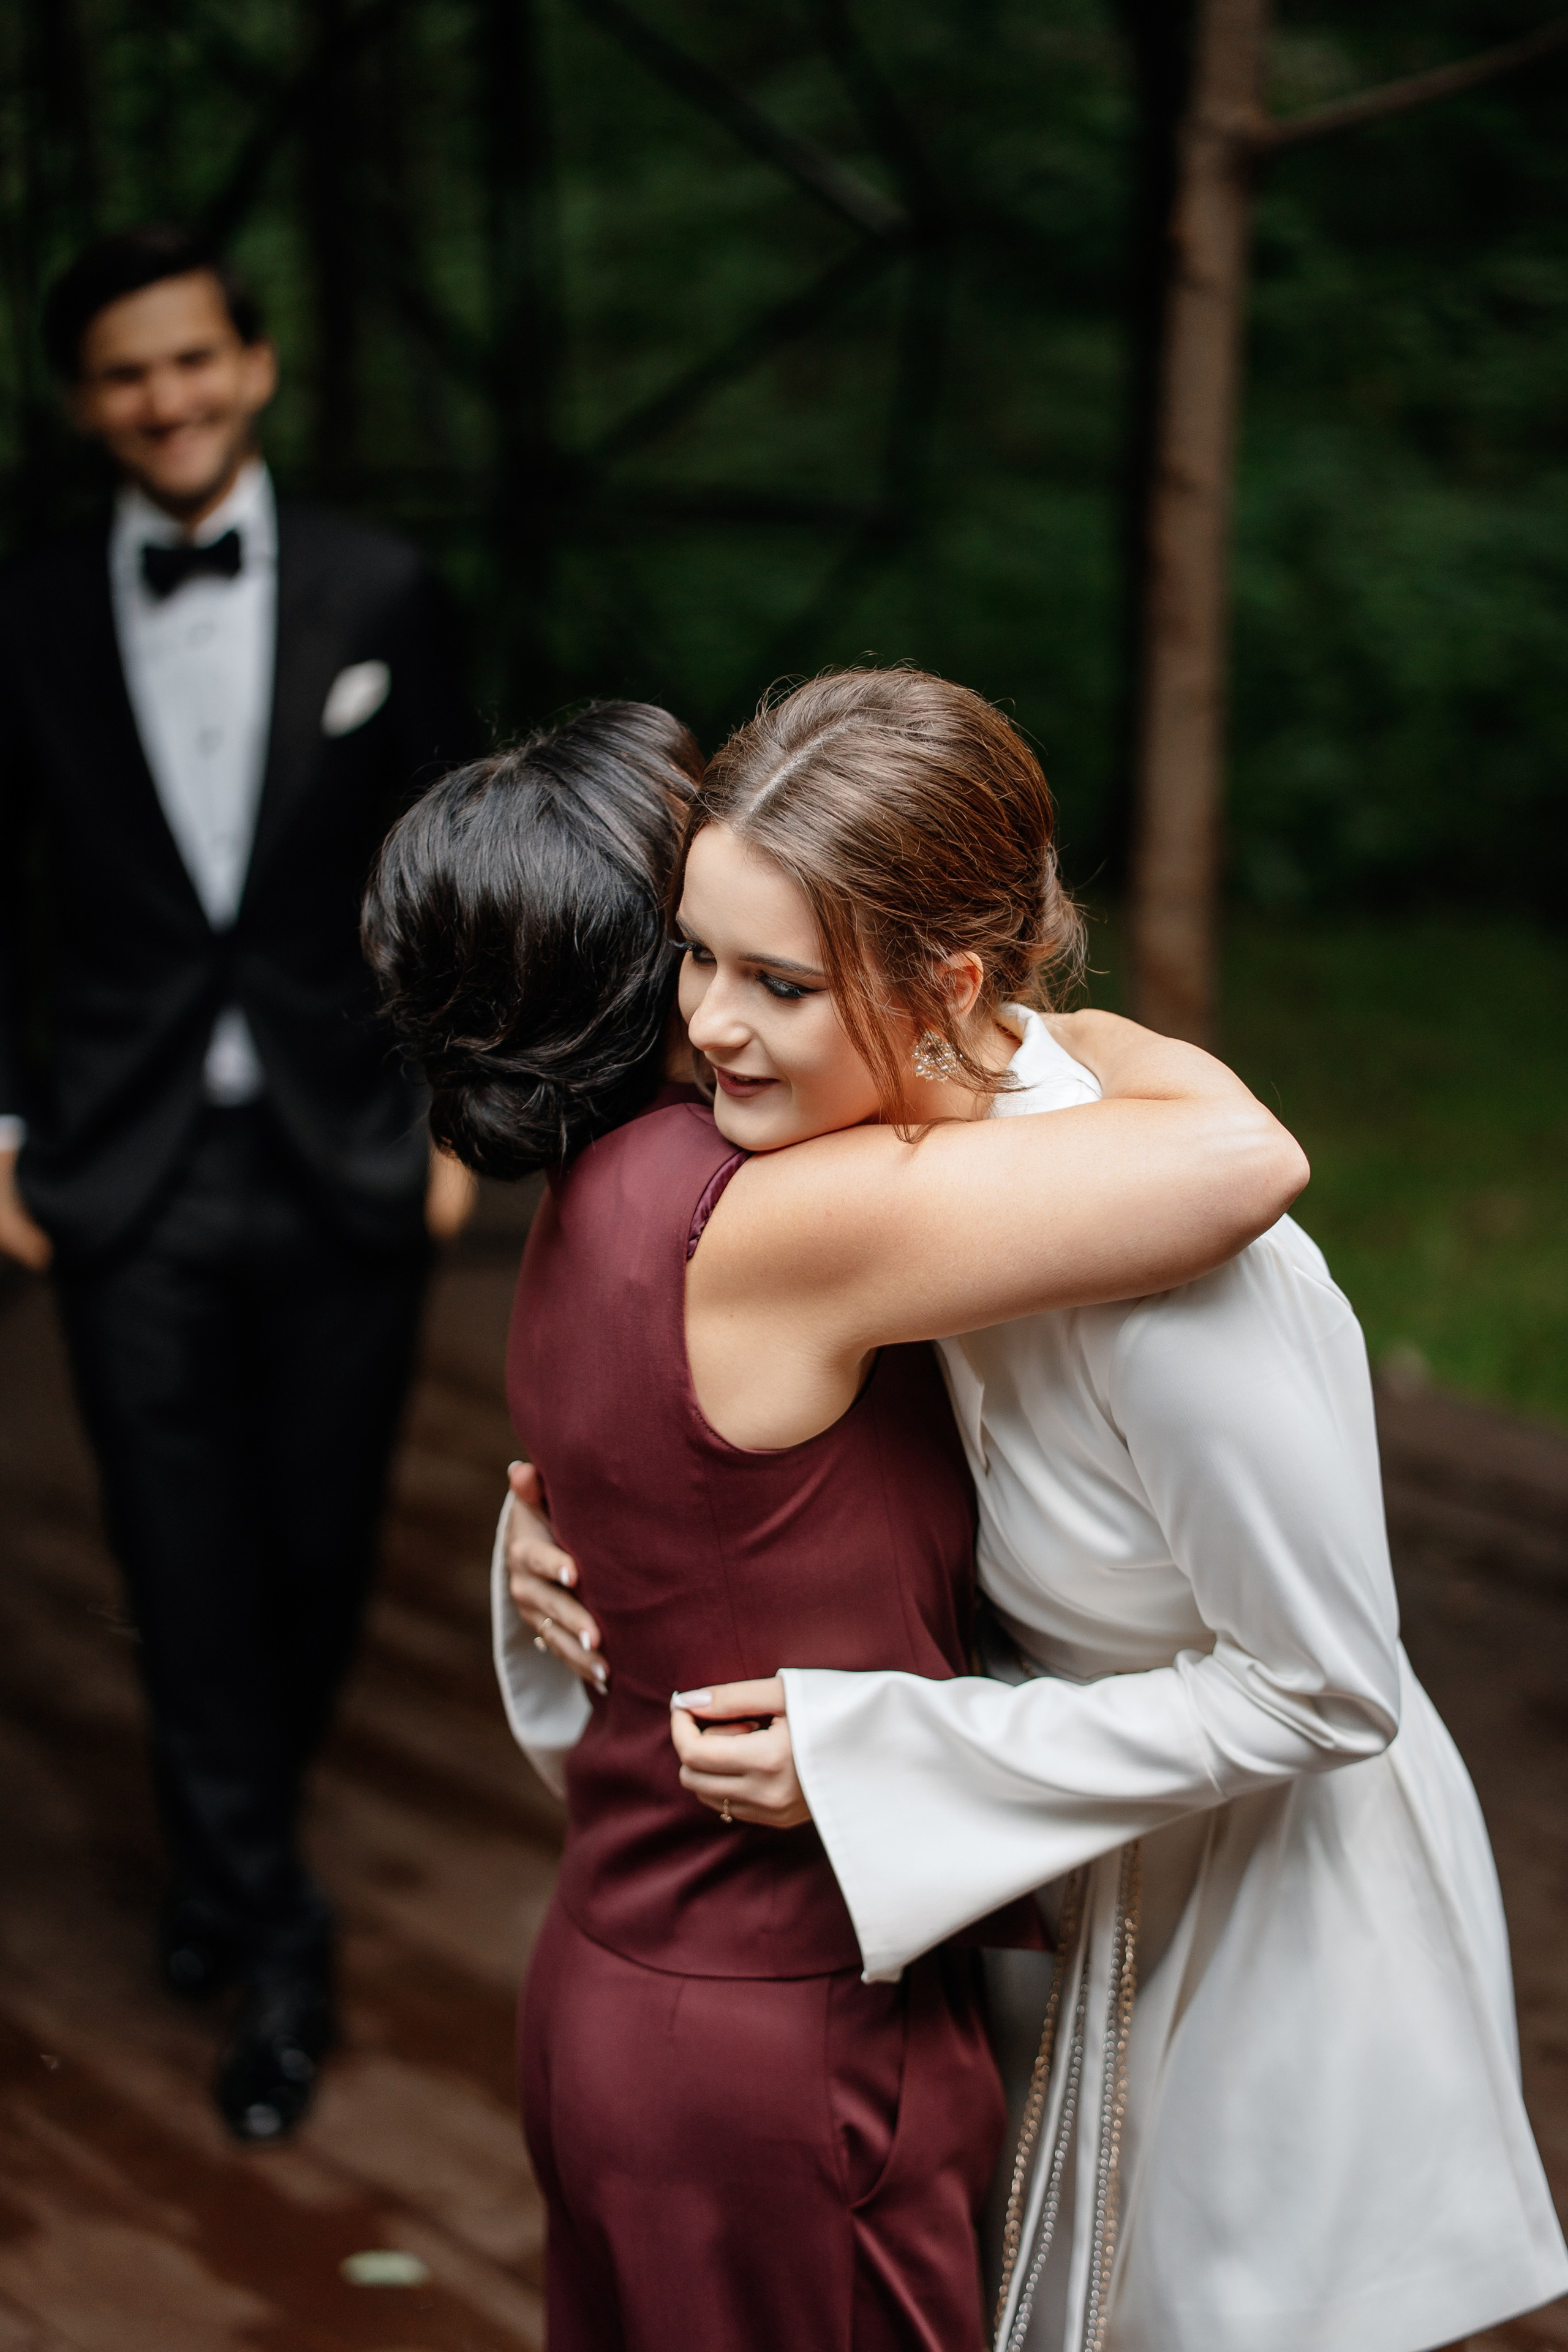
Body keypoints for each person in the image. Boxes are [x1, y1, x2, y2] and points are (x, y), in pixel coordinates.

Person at [499, 671, 1568, 2352]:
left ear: (955, 984)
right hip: (1048, 1905)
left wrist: (880, 1757)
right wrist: (571, 1528)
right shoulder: (868, 1185)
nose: (705, 1024)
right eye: (697, 953)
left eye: (779, 981)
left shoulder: (1174, 1281)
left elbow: (1329, 1686)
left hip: (1262, 1927)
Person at [364, 684, 1306, 2351]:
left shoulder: (596, 1198)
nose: (734, 983)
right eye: (707, 937)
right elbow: (1239, 1157)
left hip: (614, 1999)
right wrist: (1016, 1011)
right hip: (787, 2065)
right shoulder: (769, 1218)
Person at [0, 224, 475, 2143]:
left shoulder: (386, 587)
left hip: (349, 1147)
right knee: (177, 1551)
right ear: (82, 403)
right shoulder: (23, 612)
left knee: (318, 1548)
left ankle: (224, 1854)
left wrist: (457, 1115)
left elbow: (462, 868)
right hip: (120, 1173)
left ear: (255, 365)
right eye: (126, 374)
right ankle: (273, 1932)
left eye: (196, 361)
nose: (168, 400)